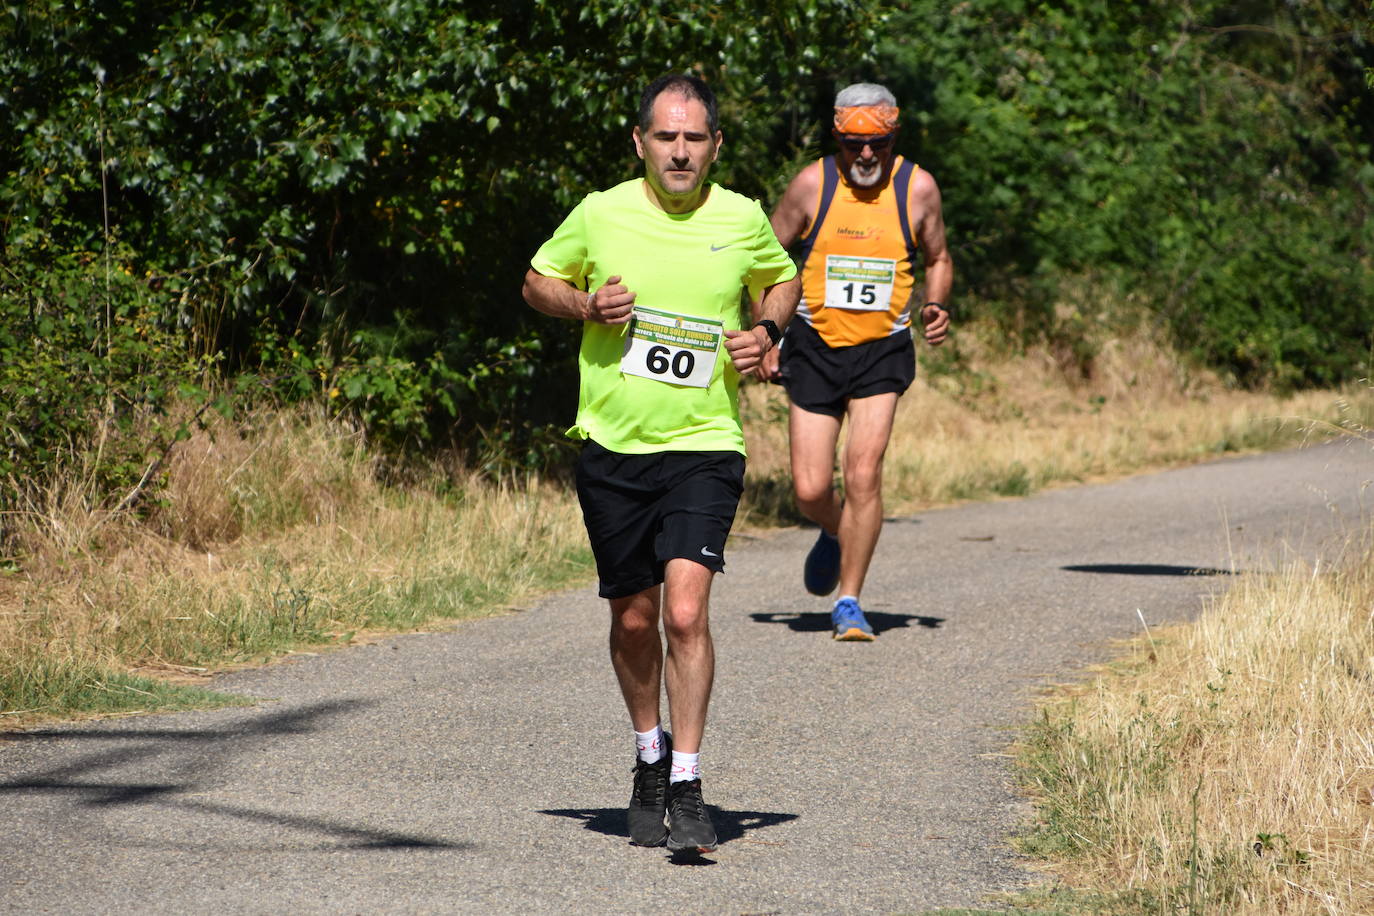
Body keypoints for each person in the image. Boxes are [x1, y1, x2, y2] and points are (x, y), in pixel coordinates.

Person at [522, 73, 800, 854]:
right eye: (667, 137)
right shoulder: (600, 212)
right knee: (635, 619)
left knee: (685, 612)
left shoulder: (742, 216)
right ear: (639, 141)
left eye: (695, 138)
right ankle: (648, 757)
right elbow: (537, 281)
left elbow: (781, 280)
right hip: (613, 446)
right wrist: (584, 306)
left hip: (705, 444)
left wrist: (767, 334)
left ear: (716, 146)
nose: (681, 151)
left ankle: (687, 776)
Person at [762, 82, 953, 641]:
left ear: (894, 137)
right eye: (853, 144)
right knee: (810, 489)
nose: (865, 154)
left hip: (882, 350)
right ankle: (840, 529)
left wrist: (937, 303)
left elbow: (939, 257)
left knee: (864, 471)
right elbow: (767, 261)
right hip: (815, 345)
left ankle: (849, 601)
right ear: (837, 140)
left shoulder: (917, 188)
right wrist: (767, 333)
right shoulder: (811, 184)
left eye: (878, 143)